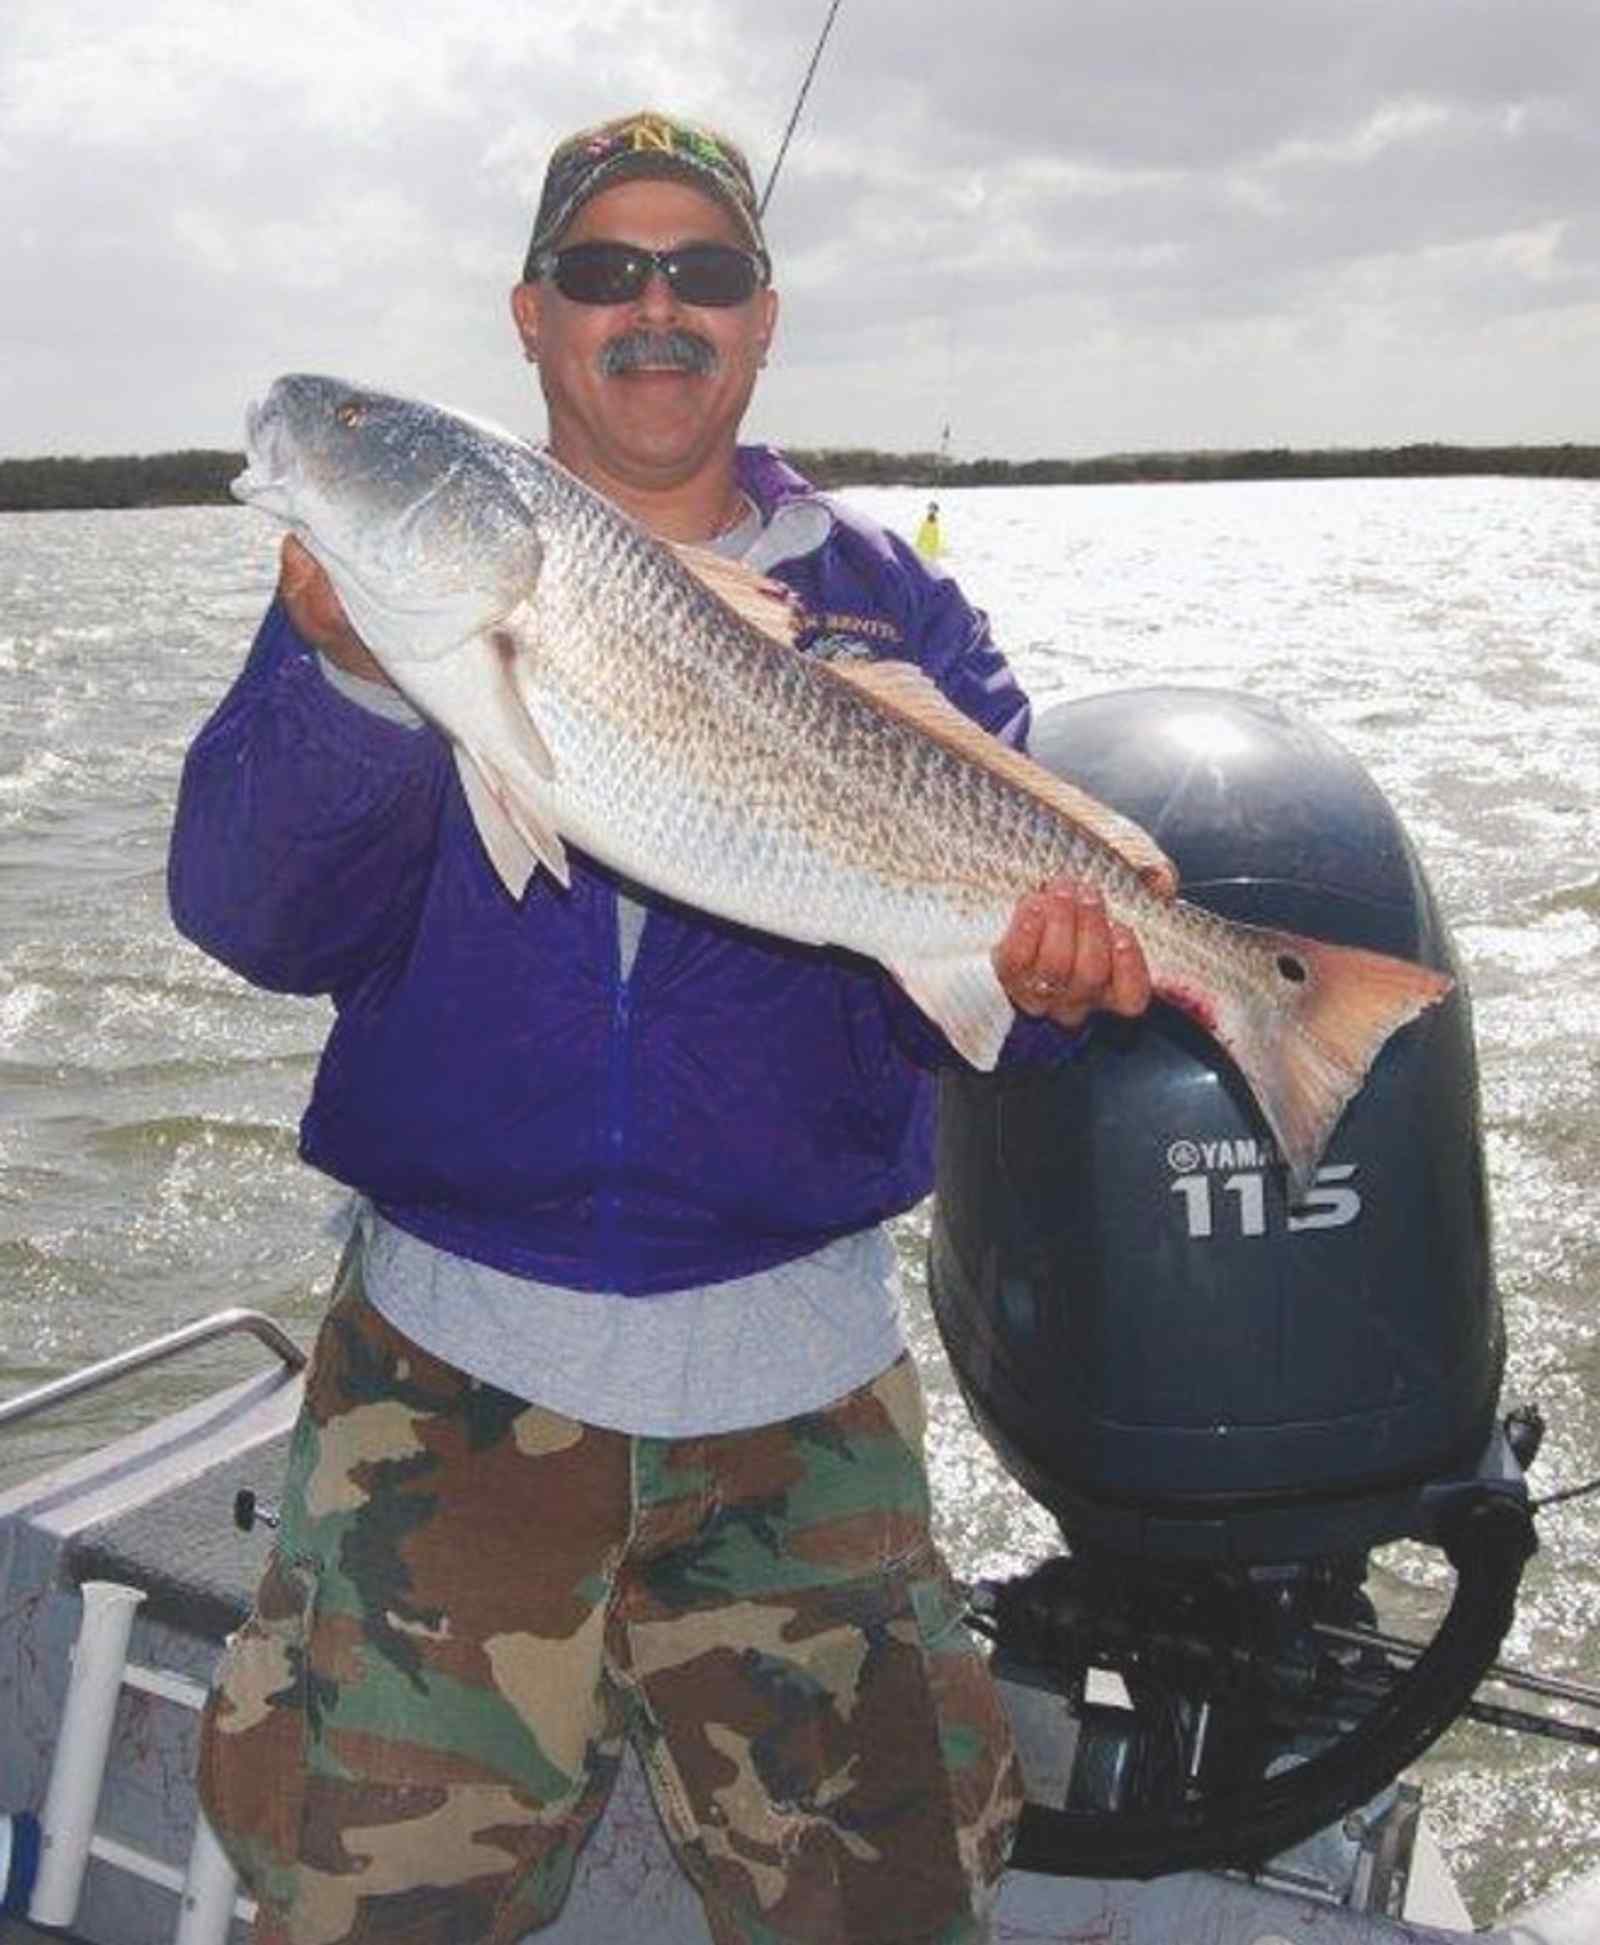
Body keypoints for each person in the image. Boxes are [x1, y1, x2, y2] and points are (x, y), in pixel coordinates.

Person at [172, 109, 1156, 1945]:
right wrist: (347, 683)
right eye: (603, 270)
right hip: (444, 1388)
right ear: (531, 317)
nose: (654, 306)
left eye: (702, 272)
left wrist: (1057, 991)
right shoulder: (377, 601)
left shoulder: (888, 605)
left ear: (762, 320)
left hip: (803, 1405)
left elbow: (999, 1031)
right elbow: (251, 914)